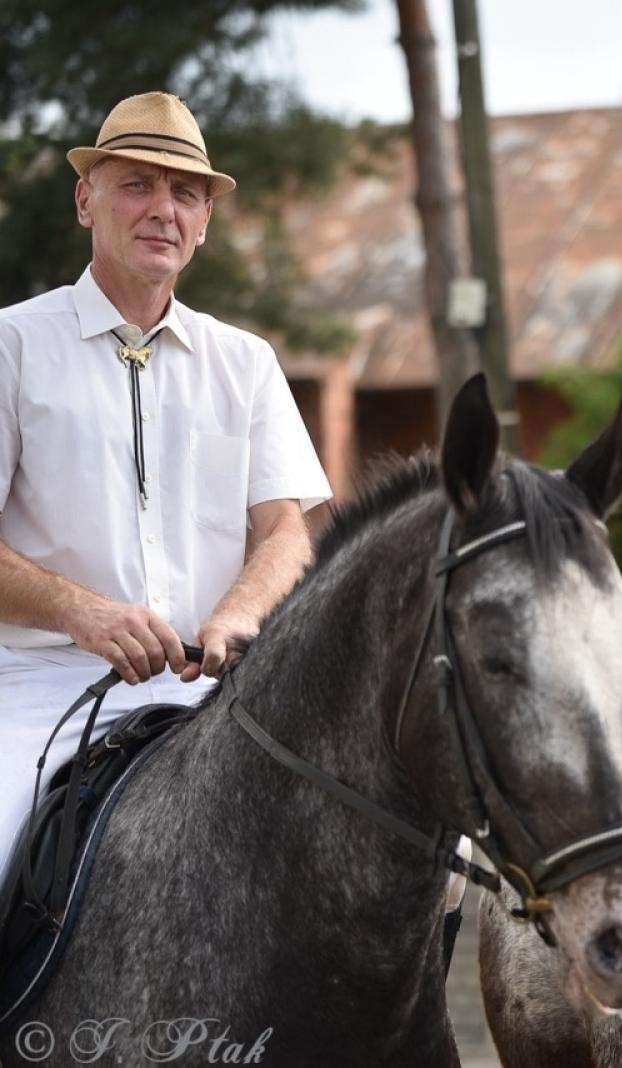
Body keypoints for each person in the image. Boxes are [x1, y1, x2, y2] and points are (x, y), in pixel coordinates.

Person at [0, 92, 332, 873]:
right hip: (40, 690)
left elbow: (286, 530)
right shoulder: (11, 345)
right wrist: (81, 612)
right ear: (86, 200)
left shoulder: (245, 362)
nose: (163, 209)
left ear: (205, 221)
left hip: (212, 697)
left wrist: (242, 614)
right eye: (137, 185)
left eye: (185, 192)